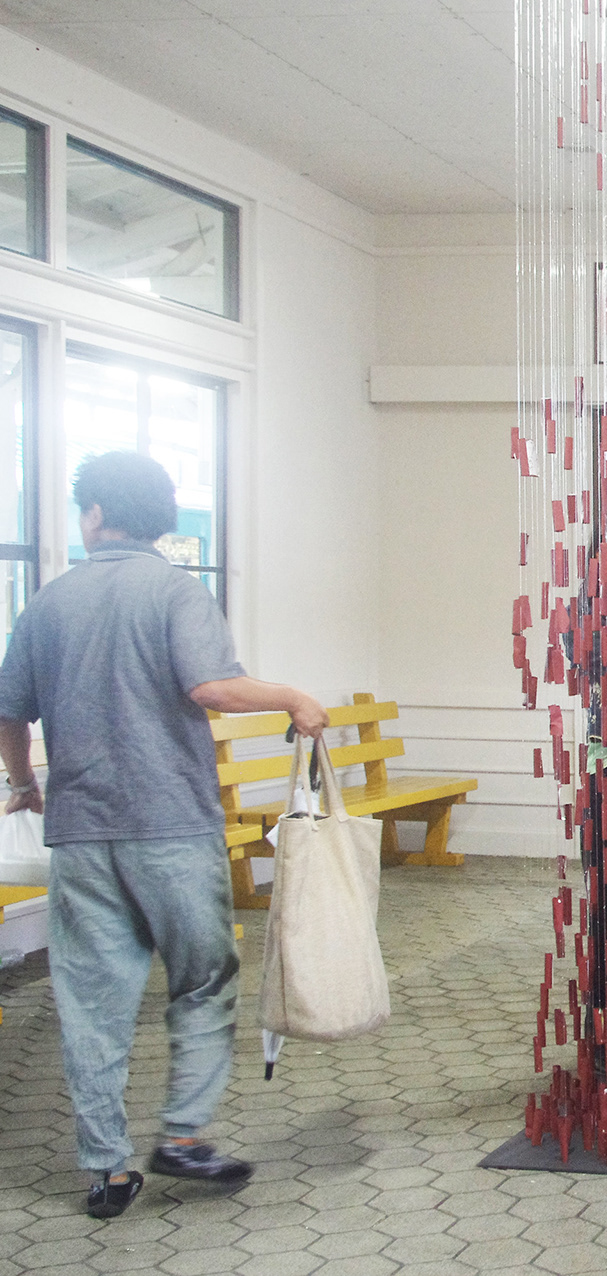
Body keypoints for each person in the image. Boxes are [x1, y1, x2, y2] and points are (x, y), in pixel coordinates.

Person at [0, 452, 328, 1220]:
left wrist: (23, 784)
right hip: (172, 826)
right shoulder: (177, 592)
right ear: (162, 518)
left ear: (93, 515)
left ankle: (106, 1169)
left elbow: (9, 711)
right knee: (203, 978)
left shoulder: (47, 603)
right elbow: (210, 686)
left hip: (81, 832)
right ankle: (182, 1134)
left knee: (92, 1002)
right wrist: (291, 696)